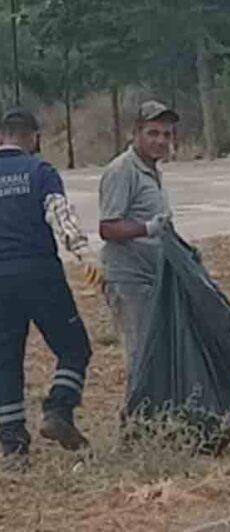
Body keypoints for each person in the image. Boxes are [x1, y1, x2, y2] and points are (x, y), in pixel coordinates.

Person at [0, 108, 98, 471]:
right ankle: (58, 409)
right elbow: (60, 215)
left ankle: (13, 448)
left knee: (6, 360)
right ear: (34, 138)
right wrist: (83, 252)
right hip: (39, 273)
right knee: (74, 347)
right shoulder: (41, 172)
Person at [99, 101, 178, 412]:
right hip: (129, 278)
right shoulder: (122, 171)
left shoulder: (152, 172)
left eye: (166, 135)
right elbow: (108, 227)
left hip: (153, 275)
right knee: (141, 353)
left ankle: (156, 416)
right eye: (152, 133)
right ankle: (136, 425)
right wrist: (147, 228)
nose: (160, 140)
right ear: (136, 134)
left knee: (156, 350)